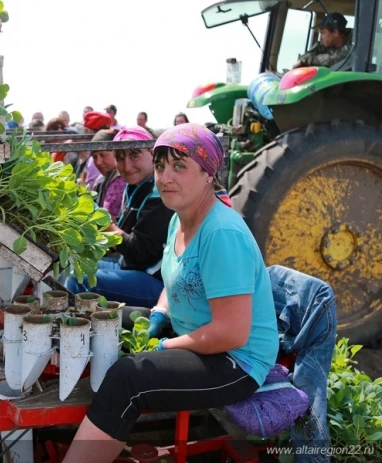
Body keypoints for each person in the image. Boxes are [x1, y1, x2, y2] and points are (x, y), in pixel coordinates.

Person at [62, 123, 279, 463]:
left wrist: (167, 345)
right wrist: (161, 312)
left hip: (236, 361)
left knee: (128, 378)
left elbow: (231, 333)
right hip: (192, 333)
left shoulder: (221, 233)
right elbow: (175, 282)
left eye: (180, 166)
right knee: (96, 319)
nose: (164, 177)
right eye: (161, 165)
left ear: (209, 174)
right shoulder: (180, 217)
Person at [66, 126, 174, 308]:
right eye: (120, 158)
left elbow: (138, 253)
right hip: (135, 267)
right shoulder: (136, 186)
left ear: (152, 153)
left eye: (134, 156)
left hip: (159, 283)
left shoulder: (159, 194)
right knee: (74, 264)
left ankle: (84, 333)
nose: (126, 166)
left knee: (79, 280)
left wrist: (100, 219)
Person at [89, 130, 126, 220]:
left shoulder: (121, 180)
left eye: (103, 155)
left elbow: (109, 221)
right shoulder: (102, 179)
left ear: (117, 154)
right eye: (94, 157)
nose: (98, 162)